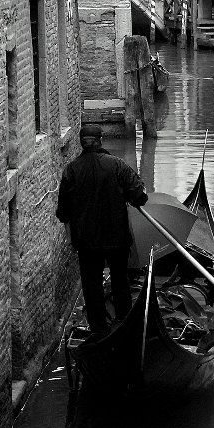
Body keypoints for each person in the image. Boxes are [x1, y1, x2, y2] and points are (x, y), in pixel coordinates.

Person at [56, 124, 148, 336]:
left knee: (91, 284)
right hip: (117, 238)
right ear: (100, 140)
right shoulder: (116, 165)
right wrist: (127, 194)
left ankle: (99, 330)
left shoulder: (71, 170)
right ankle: (123, 321)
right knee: (119, 278)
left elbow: (63, 212)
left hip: (87, 241)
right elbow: (140, 196)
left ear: (81, 143)